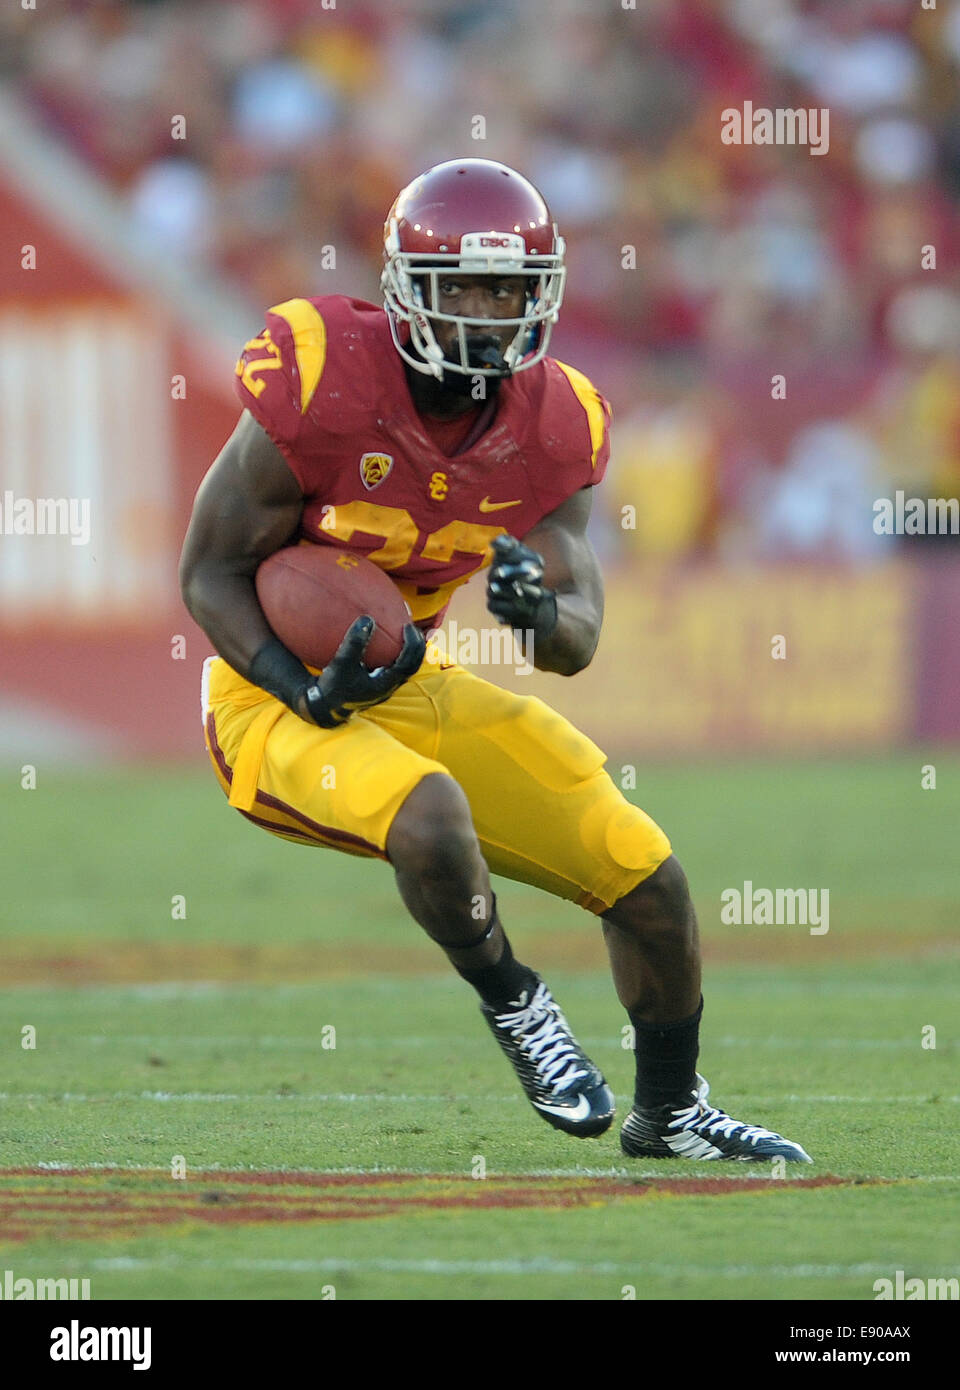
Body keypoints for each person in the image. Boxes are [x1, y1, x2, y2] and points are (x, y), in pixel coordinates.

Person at [179, 158, 810, 1161]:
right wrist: (296, 683)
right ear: (405, 290)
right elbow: (208, 570)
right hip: (269, 696)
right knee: (430, 810)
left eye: (508, 289)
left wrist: (536, 615)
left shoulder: (556, 424)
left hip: (410, 677)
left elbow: (578, 635)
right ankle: (514, 1000)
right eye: (464, 287)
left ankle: (672, 1111)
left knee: (647, 873)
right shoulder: (321, 377)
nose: (486, 311)